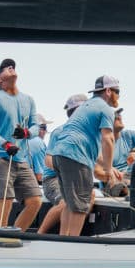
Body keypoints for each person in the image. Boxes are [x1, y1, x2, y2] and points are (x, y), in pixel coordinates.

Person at [48, 75, 122, 236]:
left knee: (69, 203)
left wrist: (109, 166)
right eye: (118, 92)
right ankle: (73, 246)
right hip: (75, 156)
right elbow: (108, 139)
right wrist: (108, 171)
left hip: (60, 154)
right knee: (82, 204)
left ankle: (63, 242)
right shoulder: (106, 109)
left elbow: (91, 147)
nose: (119, 96)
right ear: (108, 91)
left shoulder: (86, 106)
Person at [0, 58, 42, 231]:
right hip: (0, 157)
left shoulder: (29, 100)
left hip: (21, 160)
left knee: (35, 201)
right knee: (5, 201)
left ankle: (12, 236)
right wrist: (5, 144)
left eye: (12, 66)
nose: (10, 67)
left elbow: (36, 126)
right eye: (4, 68)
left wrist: (27, 133)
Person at [37, 93, 87, 235]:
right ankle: (40, 235)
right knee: (66, 201)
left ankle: (72, 237)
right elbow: (49, 160)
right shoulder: (59, 132)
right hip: (54, 179)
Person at [27, 114, 53, 183]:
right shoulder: (38, 142)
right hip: (28, 183)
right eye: (44, 128)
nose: (45, 131)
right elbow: (40, 176)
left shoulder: (24, 140)